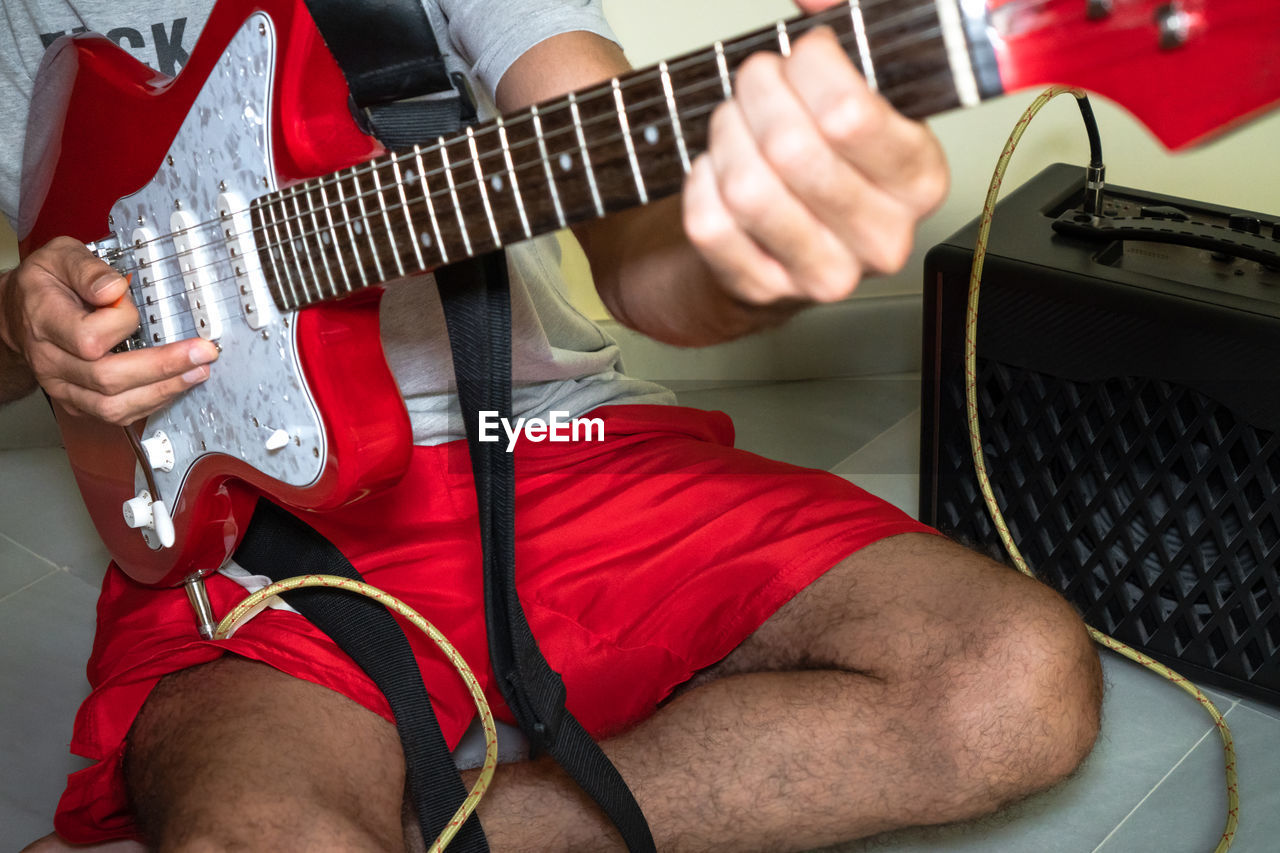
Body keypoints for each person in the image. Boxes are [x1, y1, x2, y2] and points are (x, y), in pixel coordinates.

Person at [0, 0, 1103, 850]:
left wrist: (744, 251)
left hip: (552, 443)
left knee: (1011, 686)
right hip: (249, 525)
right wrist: (25, 329)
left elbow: (641, 254)